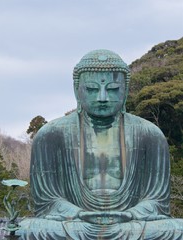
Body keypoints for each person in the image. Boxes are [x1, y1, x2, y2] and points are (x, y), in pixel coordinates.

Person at [19, 50, 183, 239]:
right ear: (76, 90)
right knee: (28, 229)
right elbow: (48, 201)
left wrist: (131, 214)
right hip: (75, 223)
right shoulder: (51, 134)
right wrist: (79, 213)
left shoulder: (149, 133)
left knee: (176, 229)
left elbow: (156, 200)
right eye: (91, 89)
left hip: (132, 223)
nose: (102, 97)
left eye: (113, 89)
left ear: (126, 90)